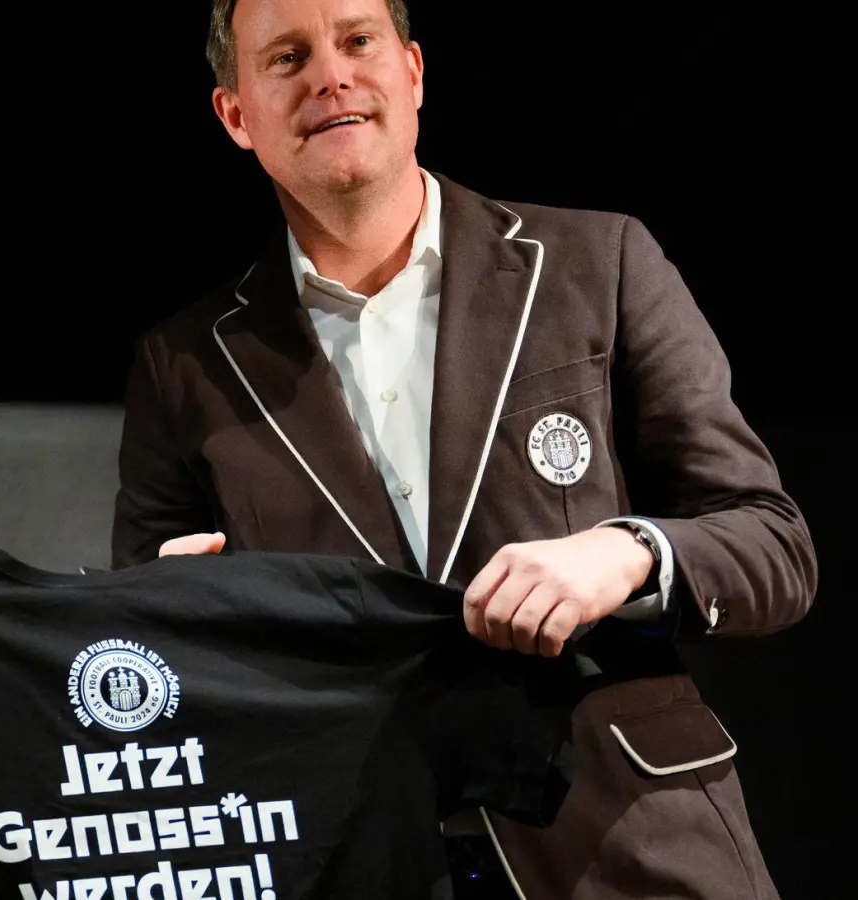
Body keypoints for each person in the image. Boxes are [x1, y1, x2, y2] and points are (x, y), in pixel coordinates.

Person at [106, 1, 816, 898]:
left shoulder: (599, 263)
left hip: (627, 846)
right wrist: (176, 619)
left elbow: (774, 543)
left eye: (357, 40)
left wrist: (626, 551)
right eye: (287, 56)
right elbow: (138, 655)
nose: (331, 74)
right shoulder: (185, 363)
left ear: (412, 70)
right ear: (237, 114)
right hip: (359, 853)